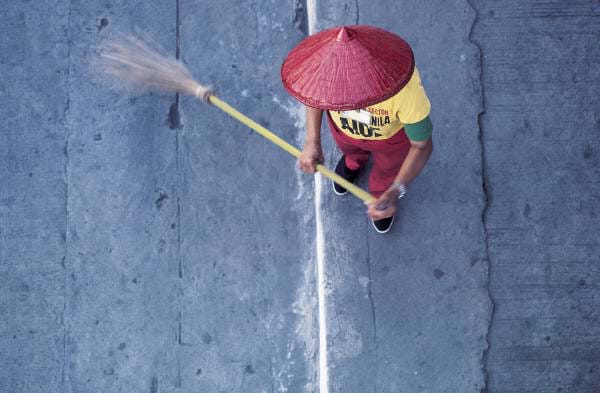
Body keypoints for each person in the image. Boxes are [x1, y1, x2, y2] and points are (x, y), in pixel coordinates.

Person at [281, 25, 433, 233]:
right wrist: (312, 141)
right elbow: (314, 94)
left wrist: (395, 190)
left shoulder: (405, 90)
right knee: (350, 152)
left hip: (390, 142)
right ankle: (353, 163)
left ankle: (381, 193)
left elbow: (421, 144)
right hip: (344, 133)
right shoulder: (325, 71)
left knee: (388, 171)